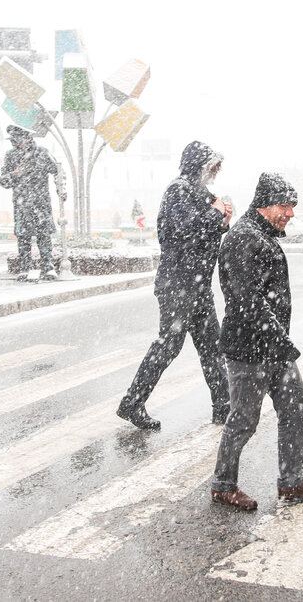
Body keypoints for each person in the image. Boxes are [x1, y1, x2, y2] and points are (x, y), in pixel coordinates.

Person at [210, 172, 303, 511]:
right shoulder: (243, 239)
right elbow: (247, 301)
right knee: (244, 419)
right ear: (264, 205)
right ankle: (223, 485)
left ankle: (291, 482)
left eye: (292, 206)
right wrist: (279, 339)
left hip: (273, 346)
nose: (290, 213)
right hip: (250, 349)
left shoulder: (262, 236)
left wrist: (279, 343)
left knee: (295, 408)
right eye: (284, 206)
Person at [116, 140, 233, 430]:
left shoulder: (201, 193)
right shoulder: (178, 190)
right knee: (168, 346)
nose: (216, 172)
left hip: (197, 286)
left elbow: (204, 232)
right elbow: (185, 232)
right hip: (178, 284)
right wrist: (216, 214)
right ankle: (132, 403)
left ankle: (224, 407)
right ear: (198, 165)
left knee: (212, 348)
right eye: (212, 166)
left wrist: (223, 221)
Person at [0, 125, 58, 281]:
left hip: (41, 201)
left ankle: (47, 267)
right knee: (23, 237)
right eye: (12, 140)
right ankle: (25, 268)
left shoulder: (42, 153)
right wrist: (15, 174)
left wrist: (60, 188)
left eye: (15, 139)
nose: (13, 143)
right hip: (22, 203)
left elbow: (58, 169)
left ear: (25, 138)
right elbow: (3, 181)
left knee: (43, 235)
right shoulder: (11, 156)